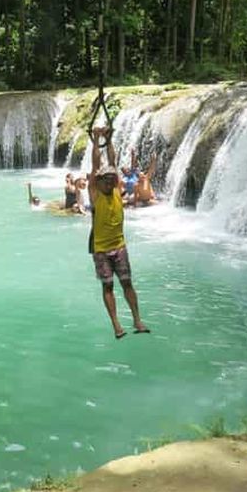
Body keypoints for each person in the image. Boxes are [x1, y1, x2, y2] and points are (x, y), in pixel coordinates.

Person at [88, 126, 149, 339]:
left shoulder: (115, 190)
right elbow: (96, 165)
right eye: (106, 179)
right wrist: (96, 139)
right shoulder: (95, 194)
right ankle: (116, 324)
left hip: (119, 246)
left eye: (112, 179)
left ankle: (137, 320)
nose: (111, 181)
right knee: (108, 287)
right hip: (102, 249)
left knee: (127, 283)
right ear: (99, 181)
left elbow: (112, 162)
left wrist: (109, 139)